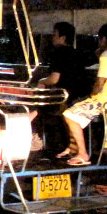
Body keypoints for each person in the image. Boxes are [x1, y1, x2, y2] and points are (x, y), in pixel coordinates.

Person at [58, 22, 107, 166]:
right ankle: (72, 148)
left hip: (104, 100)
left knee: (69, 114)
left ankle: (82, 153)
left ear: (103, 39)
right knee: (76, 106)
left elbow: (99, 83)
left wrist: (91, 95)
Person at [29, 22, 86, 151]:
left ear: (63, 38)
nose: (52, 38)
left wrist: (42, 82)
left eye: (55, 35)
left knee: (34, 106)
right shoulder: (77, 54)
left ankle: (36, 140)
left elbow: (54, 79)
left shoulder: (59, 53)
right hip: (76, 97)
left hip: (62, 98)